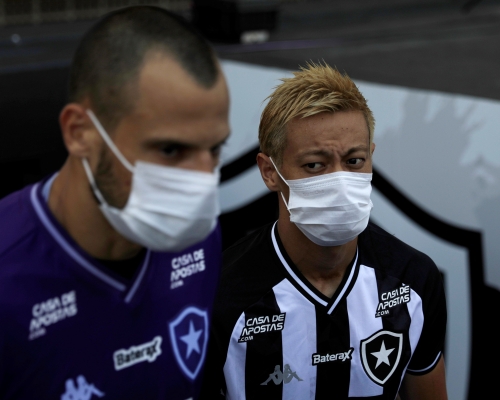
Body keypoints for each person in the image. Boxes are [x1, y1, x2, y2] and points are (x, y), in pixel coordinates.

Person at [0, 6, 229, 399]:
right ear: (80, 133)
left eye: (214, 149)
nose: (201, 182)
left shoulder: (199, 238)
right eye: (170, 150)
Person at [200, 63, 447, 399]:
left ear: (371, 157)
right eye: (314, 165)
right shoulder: (219, 297)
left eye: (354, 161)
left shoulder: (413, 279)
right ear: (269, 172)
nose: (339, 181)